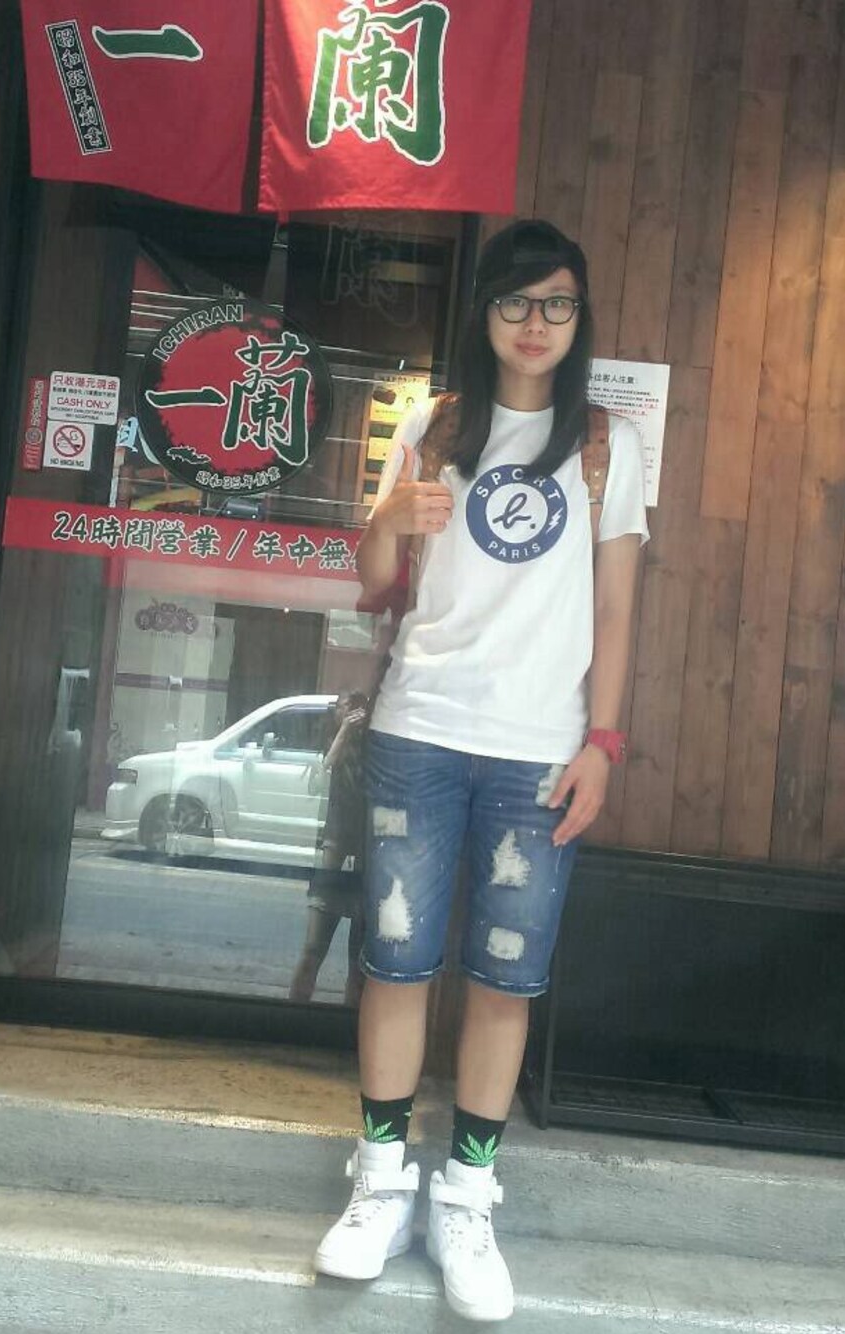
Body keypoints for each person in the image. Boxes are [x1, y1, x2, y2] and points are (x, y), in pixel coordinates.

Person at [313, 220, 649, 1322]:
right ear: (486, 313)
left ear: (579, 314)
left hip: (538, 749)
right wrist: (386, 514)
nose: (535, 323)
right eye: (515, 302)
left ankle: (465, 1196)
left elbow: (616, 607)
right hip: (420, 728)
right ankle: (380, 1182)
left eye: (556, 303)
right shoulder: (437, 422)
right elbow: (374, 577)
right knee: (398, 959)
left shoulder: (604, 444)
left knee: (507, 976)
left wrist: (602, 744)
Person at [289, 691, 369, 1006]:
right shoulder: (330, 742)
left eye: (356, 707)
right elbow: (318, 782)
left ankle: (347, 1022)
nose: (349, 712)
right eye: (344, 707)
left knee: (358, 965)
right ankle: (292, 1014)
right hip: (333, 852)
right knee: (312, 949)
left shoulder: (373, 749)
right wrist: (345, 732)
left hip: (365, 856)